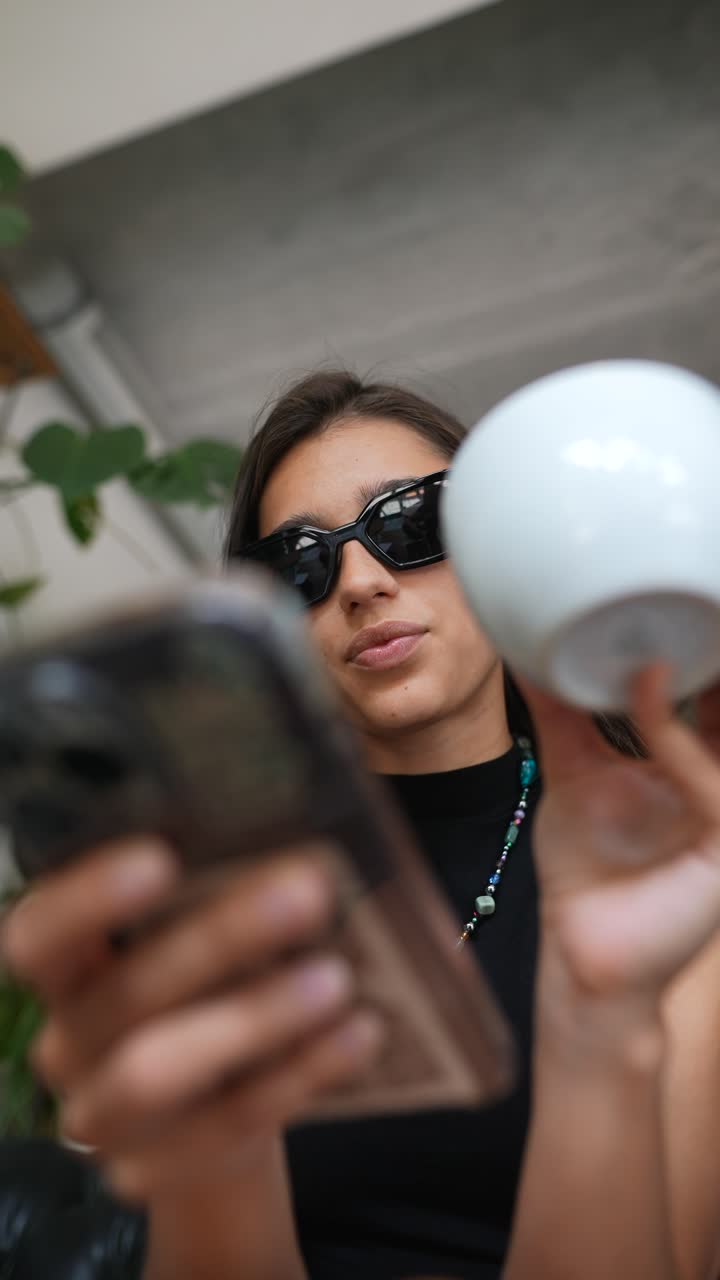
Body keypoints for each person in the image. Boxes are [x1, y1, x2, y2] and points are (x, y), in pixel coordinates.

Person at [2, 369, 720, 1280]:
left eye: (410, 522)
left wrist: (602, 1021)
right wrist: (215, 1151)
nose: (361, 581)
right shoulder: (241, 900)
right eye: (299, 562)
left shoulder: (668, 873)